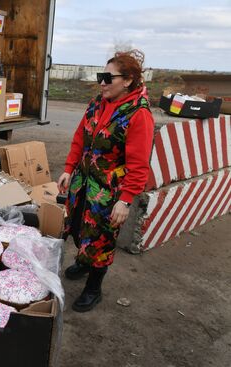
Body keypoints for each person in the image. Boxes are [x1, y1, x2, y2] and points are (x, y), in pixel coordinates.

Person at [57, 49, 155, 312]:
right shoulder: (96, 103)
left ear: (128, 80)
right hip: (82, 185)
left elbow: (138, 165)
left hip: (108, 193)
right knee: (78, 227)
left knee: (101, 239)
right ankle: (83, 260)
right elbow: (80, 137)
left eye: (108, 78)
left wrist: (126, 200)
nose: (102, 82)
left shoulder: (138, 114)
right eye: (101, 76)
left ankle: (94, 288)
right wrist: (69, 168)